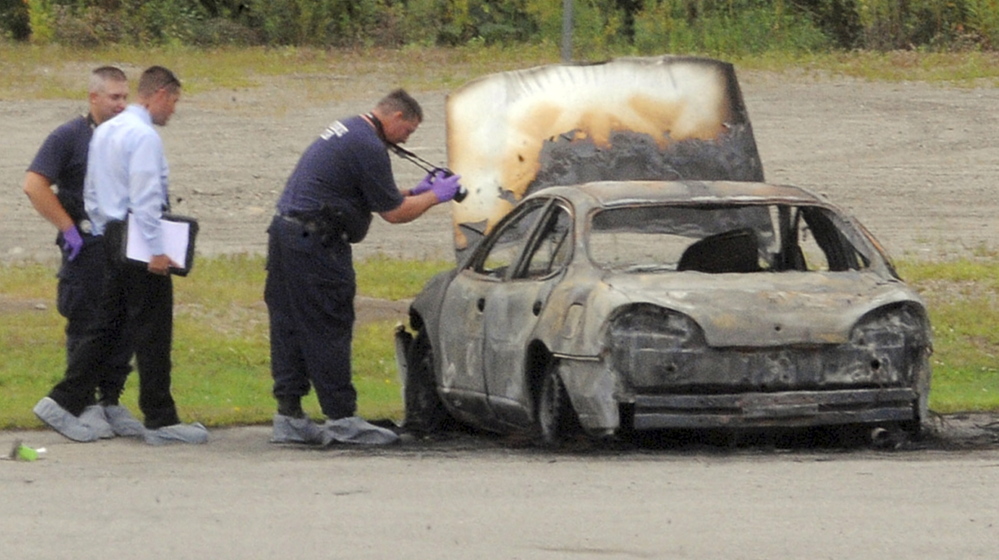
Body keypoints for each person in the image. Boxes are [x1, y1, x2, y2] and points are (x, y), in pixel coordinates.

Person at [265, 88, 462, 446]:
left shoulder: (349, 130)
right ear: (397, 117)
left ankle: (289, 416)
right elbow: (394, 214)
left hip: (286, 237)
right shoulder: (369, 146)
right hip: (317, 245)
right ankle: (342, 419)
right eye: (409, 131)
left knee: (290, 327)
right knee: (329, 328)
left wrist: (415, 191)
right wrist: (436, 197)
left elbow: (372, 193)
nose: (407, 138)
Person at [78, 65, 207, 445]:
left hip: (111, 239)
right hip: (139, 244)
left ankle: (66, 399)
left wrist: (104, 234)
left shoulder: (104, 131)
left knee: (108, 326)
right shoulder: (144, 136)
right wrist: (156, 250)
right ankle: (160, 420)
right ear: (160, 94)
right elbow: (147, 198)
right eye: (175, 102)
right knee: (153, 332)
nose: (173, 111)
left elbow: (92, 191)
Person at [27, 66, 144, 442]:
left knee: (123, 323)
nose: (121, 104)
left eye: (125, 97)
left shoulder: (127, 137)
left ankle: (110, 399)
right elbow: (34, 184)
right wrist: (68, 228)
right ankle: (83, 404)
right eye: (114, 97)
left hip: (122, 246)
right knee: (88, 322)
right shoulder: (69, 136)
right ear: (94, 98)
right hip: (87, 248)